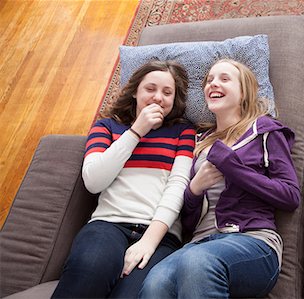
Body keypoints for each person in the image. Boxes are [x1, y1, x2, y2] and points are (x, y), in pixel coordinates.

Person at [139, 58, 300, 298]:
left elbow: (290, 196)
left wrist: (231, 166)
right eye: (209, 80)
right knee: (155, 282)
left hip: (252, 241)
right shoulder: (200, 141)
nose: (213, 83)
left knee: (197, 261)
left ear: (244, 93)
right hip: (200, 241)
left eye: (224, 79)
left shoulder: (265, 131)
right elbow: (190, 223)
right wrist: (194, 190)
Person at [51, 60, 196, 298]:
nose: (158, 97)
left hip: (160, 235)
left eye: (167, 92)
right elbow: (94, 181)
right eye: (150, 89)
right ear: (135, 92)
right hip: (108, 225)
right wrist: (136, 131)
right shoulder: (106, 127)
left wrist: (148, 242)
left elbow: (178, 186)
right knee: (88, 271)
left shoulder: (183, 132)